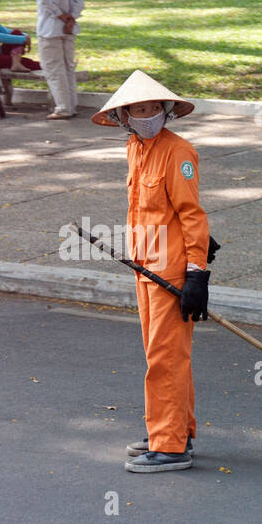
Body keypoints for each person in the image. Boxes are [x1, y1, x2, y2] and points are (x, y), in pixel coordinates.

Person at [91, 71, 214, 473]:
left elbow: (192, 217)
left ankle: (170, 445)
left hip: (173, 272)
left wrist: (197, 274)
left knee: (165, 357)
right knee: (163, 354)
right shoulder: (134, 148)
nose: (145, 115)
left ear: (164, 110)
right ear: (125, 116)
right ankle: (176, 430)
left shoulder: (179, 152)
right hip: (145, 268)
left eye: (150, 108)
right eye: (136, 110)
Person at [33, 0, 84, 120]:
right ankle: (71, 104)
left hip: (50, 27)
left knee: (54, 68)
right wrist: (71, 17)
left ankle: (63, 107)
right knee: (68, 67)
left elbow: (44, 1)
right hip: (69, 27)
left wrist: (61, 15)